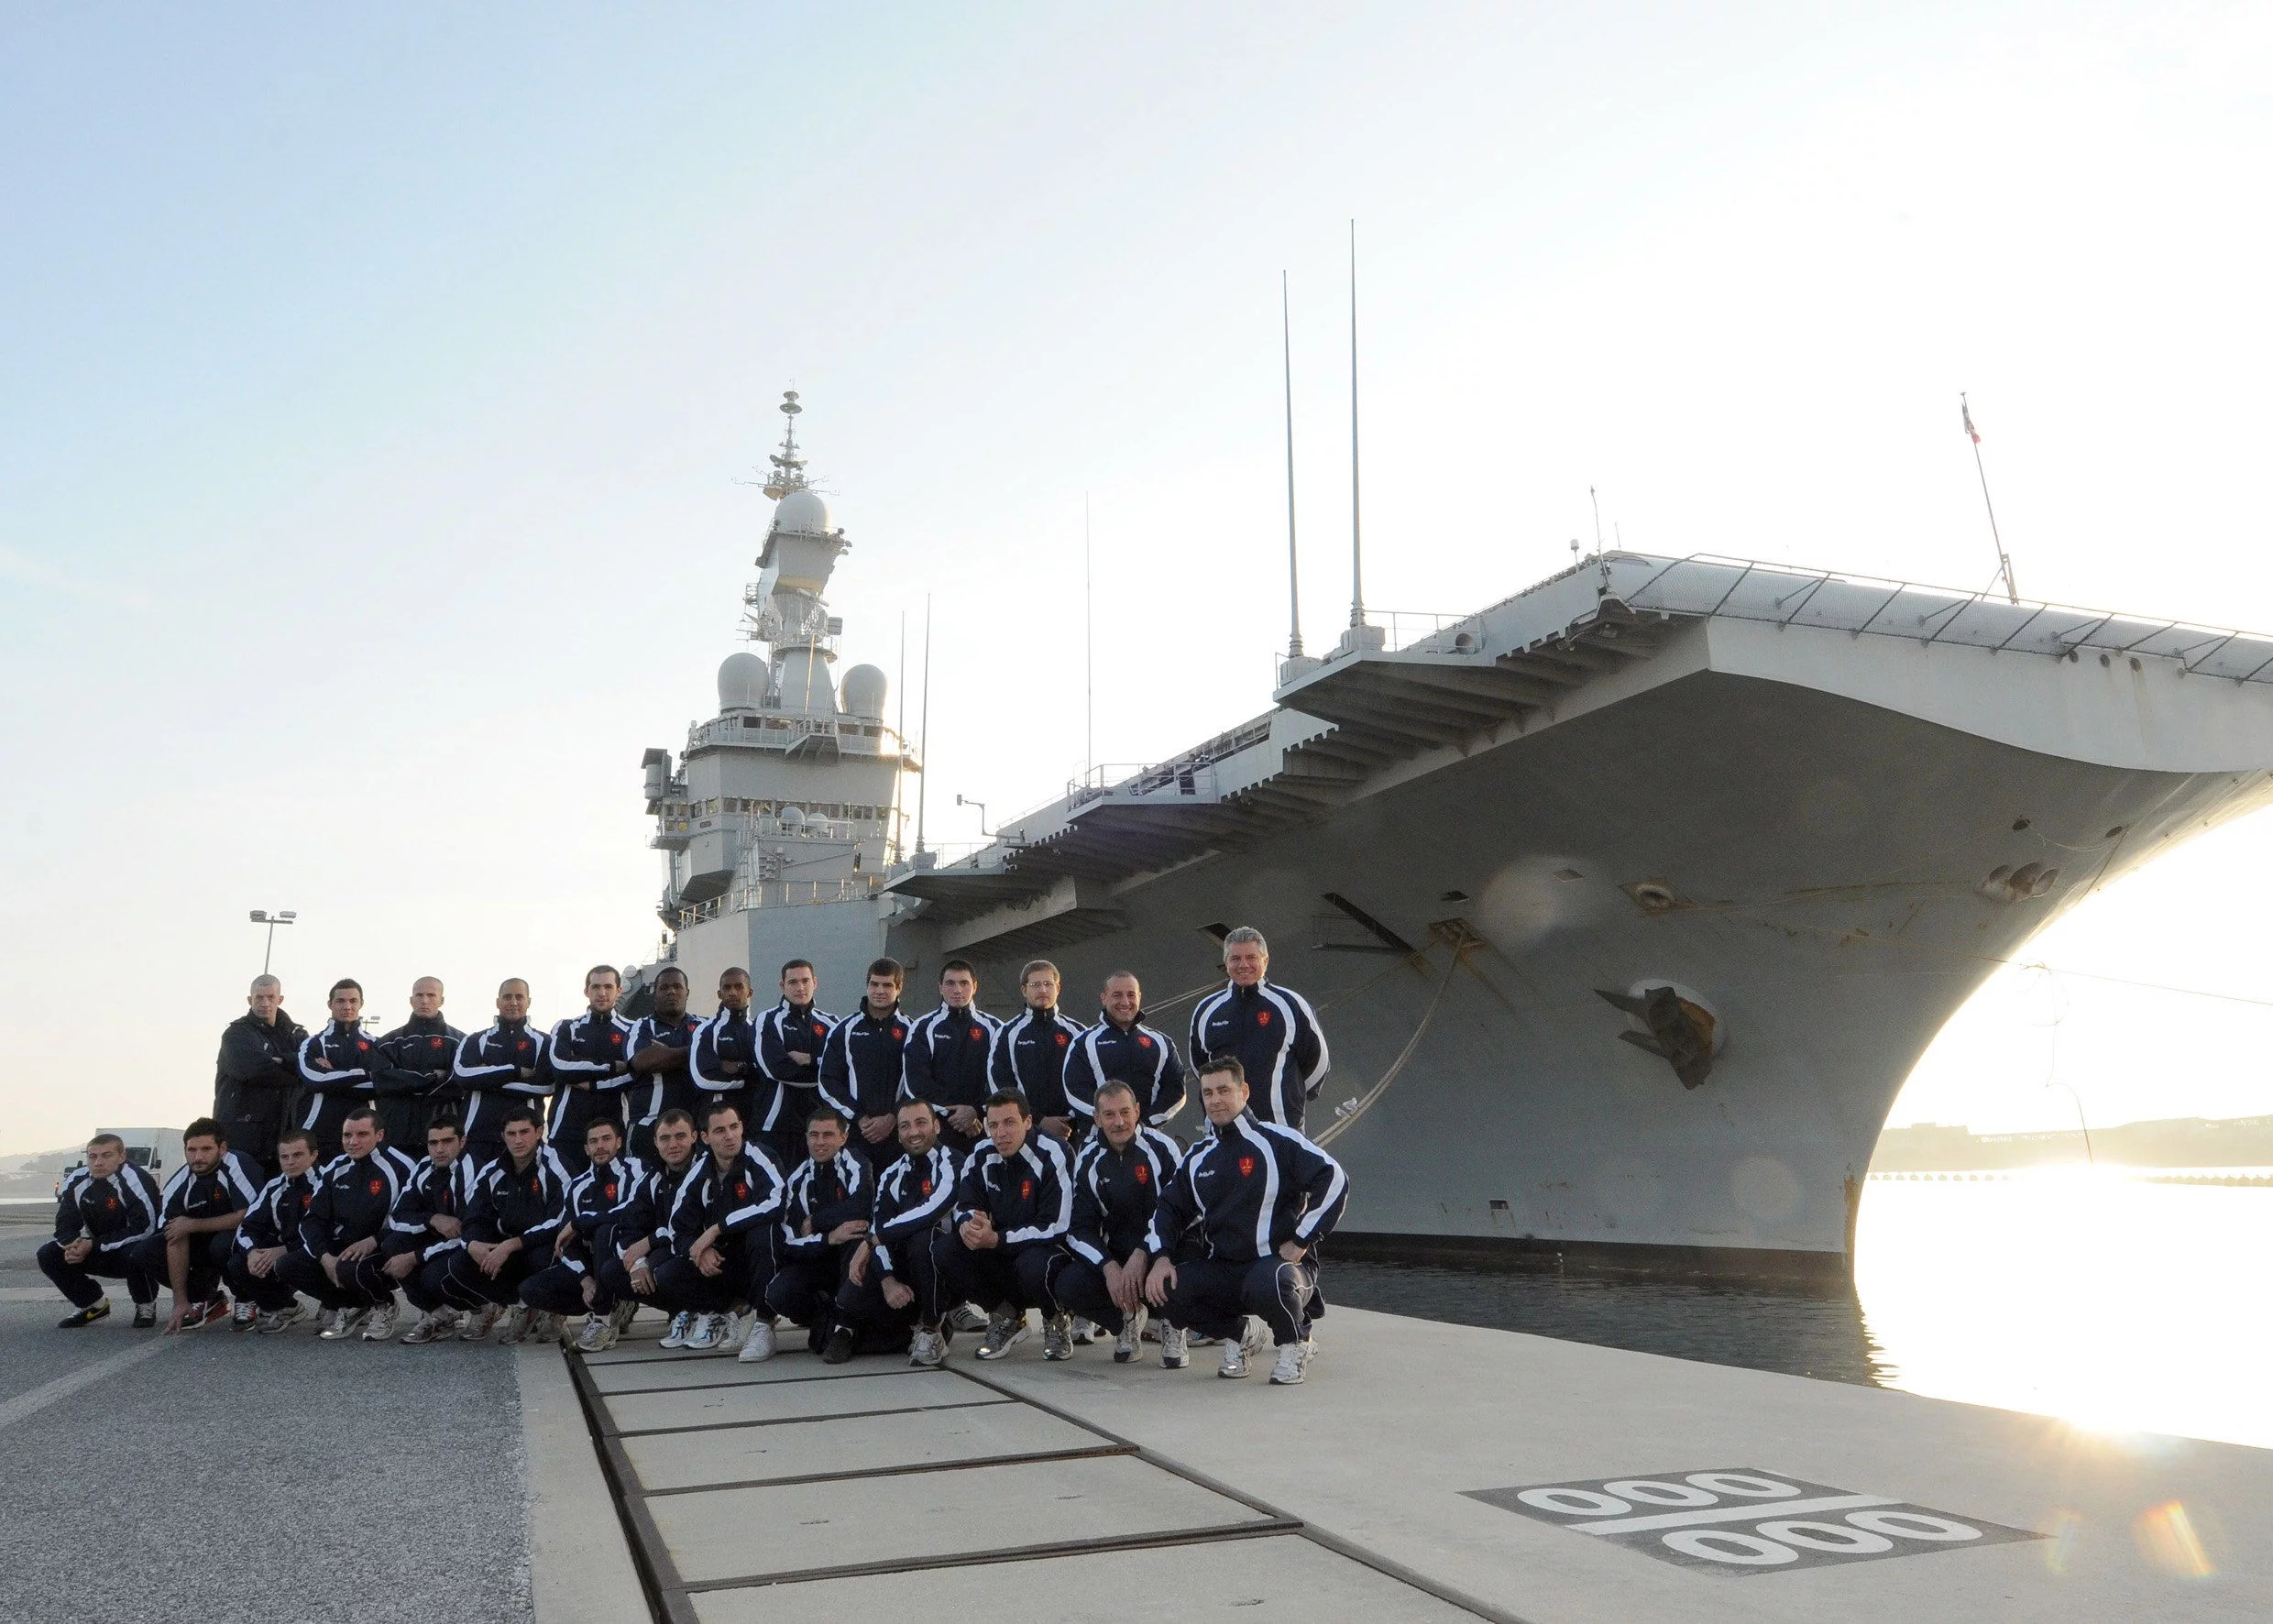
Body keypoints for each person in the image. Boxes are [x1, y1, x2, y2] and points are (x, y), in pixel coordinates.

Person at [1138, 1058, 1349, 1385]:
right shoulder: (1199, 1156)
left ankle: (1295, 1345)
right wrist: (1161, 1258)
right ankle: (1241, 1335)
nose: (1216, 1099)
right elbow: (1168, 1208)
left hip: (1279, 1267)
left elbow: (1334, 1179)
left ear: (1244, 1092)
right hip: (1226, 1269)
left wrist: (1303, 1238)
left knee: (1268, 1281)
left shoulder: (1278, 1141)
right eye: (1208, 1093)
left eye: (1224, 1090)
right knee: (1166, 1289)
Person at [1038, 1081, 1183, 1362]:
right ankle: (1126, 1319)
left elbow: (1177, 1212)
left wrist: (1146, 1252)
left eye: (1125, 1112)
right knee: (1068, 1283)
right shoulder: (1088, 1158)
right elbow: (1078, 1228)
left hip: (1161, 1249)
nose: (1119, 1122)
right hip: (1118, 1254)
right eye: (1109, 1115)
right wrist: (1108, 1266)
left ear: (1137, 1111)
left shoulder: (1163, 1149)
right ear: (1096, 1118)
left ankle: (1173, 1323)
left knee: (1187, 1258)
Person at [932, 1090, 1075, 1361]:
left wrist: (997, 1238)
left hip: (1042, 1249)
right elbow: (964, 1204)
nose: (1000, 1133)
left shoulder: (1054, 1152)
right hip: (996, 1244)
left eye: (1009, 1123)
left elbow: (1058, 1225)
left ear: (1028, 1122)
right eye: (993, 1125)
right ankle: (1007, 1317)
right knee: (946, 1249)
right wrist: (969, 1225)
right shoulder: (981, 1154)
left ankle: (1055, 1318)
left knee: (1034, 1264)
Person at [650, 1101, 785, 1356]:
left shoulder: (759, 1157)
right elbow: (677, 1228)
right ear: (705, 1137)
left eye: (734, 1127)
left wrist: (717, 1229)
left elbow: (775, 1203)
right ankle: (733, 1312)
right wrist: (698, 1252)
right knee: (666, 1273)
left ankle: (764, 1324)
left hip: (761, 1257)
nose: (730, 1136)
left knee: (763, 1232)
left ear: (742, 1127)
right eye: (720, 1131)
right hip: (724, 1261)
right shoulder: (699, 1172)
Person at [836, 1096, 958, 1366]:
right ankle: (909, 1324)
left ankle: (933, 1327)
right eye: (905, 1126)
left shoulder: (953, 1162)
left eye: (921, 1123)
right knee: (849, 1299)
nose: (913, 1132)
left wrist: (872, 1240)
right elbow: (879, 1224)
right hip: (905, 1265)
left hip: (949, 1269)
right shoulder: (892, 1173)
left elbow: (930, 1211)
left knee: (923, 1237)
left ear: (937, 1126)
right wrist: (888, 1280)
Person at [441, 1109, 571, 1344]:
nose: (518, 1140)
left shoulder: (557, 1166)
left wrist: (514, 1244)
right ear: (503, 1136)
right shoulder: (492, 1171)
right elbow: (474, 1217)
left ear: (539, 1132)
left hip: (545, 1245)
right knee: (461, 1262)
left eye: (524, 1132)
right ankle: (520, 1306)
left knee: (545, 1258)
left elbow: (561, 1220)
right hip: (507, 1247)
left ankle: (550, 1309)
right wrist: (473, 1244)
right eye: (511, 1134)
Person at [282, 1106, 409, 1342]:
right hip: (344, 1249)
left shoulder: (401, 1166)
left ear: (379, 1135)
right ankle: (350, 1305)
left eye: (362, 1135)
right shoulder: (336, 1168)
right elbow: (312, 1221)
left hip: (383, 1248)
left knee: (351, 1268)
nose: (353, 1142)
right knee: (288, 1265)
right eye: (347, 1135)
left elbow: (409, 1218)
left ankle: (384, 1304)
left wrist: (374, 1241)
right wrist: (324, 1257)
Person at [519, 1116, 644, 1349]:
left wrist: (584, 1220)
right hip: (593, 1266)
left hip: (629, 1258)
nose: (600, 1146)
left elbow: (632, 1211)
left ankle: (603, 1319)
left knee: (604, 1230)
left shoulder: (636, 1169)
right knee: (530, 1290)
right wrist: (586, 1281)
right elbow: (566, 1241)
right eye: (594, 1141)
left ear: (619, 1142)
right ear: (586, 1149)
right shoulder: (578, 1186)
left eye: (606, 1139)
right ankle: (607, 1304)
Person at [1189, 927, 1329, 1133]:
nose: (1243, 965)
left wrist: (1291, 1099)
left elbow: (1318, 1063)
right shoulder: (1206, 1011)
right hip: (1224, 1134)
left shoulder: (1291, 1005)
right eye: (1235, 958)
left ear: (1265, 961)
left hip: (1281, 1130)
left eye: (1251, 957)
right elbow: (1200, 1068)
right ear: (1226, 962)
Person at [764, 1108, 870, 1362]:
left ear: (843, 1137)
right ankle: (823, 1318)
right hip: (818, 1257)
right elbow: (789, 1240)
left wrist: (817, 1221)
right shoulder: (798, 1177)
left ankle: (844, 1328)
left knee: (854, 1233)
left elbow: (861, 1206)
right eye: (814, 1135)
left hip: (852, 1259)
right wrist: (828, 1237)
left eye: (828, 1135)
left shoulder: (855, 1163)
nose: (820, 1142)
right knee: (778, 1293)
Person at [141, 1117, 263, 1333]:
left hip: (243, 1236)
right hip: (201, 1241)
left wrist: (192, 1225)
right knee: (146, 1251)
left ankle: (246, 1298)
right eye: (192, 1150)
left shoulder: (238, 1164)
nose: (198, 1157)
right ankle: (202, 1299)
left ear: (222, 1148)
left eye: (206, 1149)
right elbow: (175, 1234)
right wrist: (179, 1301)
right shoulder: (179, 1183)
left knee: (222, 1245)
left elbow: (247, 1215)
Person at [594, 1108, 702, 1350]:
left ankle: (713, 1309)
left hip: (701, 1252)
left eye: (680, 1136)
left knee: (663, 1265)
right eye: (665, 1138)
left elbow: (691, 1224)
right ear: (655, 1142)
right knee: (613, 1270)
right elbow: (629, 1225)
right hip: (667, 1252)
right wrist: (637, 1263)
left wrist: (651, 1241)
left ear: (694, 1136)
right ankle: (681, 1311)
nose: (673, 1144)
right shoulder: (653, 1177)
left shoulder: (706, 1170)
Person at [39, 1133, 164, 1329]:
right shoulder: (78, 1179)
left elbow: (145, 1228)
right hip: (98, 1247)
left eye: (106, 1156)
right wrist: (73, 1244)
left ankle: (145, 1304)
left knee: (138, 1252)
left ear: (121, 1157)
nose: (98, 1162)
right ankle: (93, 1305)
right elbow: (64, 1222)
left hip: (136, 1249)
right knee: (48, 1253)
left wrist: (93, 1244)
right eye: (93, 1156)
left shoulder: (135, 1179)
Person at [385, 1115, 480, 1345]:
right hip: (439, 1239)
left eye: (447, 1141)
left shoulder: (473, 1171)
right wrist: (433, 1219)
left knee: (433, 1276)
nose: (439, 1149)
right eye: (433, 1143)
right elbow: (397, 1216)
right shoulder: (424, 1168)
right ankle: (439, 1316)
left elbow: (468, 1233)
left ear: (462, 1141)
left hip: (474, 1245)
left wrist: (415, 1256)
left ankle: (483, 1307)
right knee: (392, 1244)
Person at [817, 958, 911, 1170]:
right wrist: (859, 1118)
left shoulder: (912, 1031)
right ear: (867, 985)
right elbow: (828, 1081)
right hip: (857, 1135)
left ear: (899, 987)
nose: (879, 990)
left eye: (887, 985)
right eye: (874, 984)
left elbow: (917, 1083)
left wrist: (893, 1118)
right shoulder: (843, 1030)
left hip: (898, 1135)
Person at [900, 960, 1002, 1155]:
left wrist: (976, 1110)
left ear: (975, 987)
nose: (957, 990)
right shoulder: (922, 1028)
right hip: (939, 1128)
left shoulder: (995, 1028)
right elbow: (916, 1083)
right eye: (950, 983)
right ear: (940, 987)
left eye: (964, 983)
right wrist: (956, 1113)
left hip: (981, 1127)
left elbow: (1001, 1078)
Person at [227, 1129, 324, 1334]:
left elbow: (328, 1231)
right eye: (284, 1156)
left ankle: (338, 1303)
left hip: (319, 1251)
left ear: (313, 1155)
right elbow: (246, 1227)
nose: (290, 1162)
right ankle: (286, 1306)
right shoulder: (274, 1187)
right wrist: (253, 1252)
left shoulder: (326, 1182)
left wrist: (285, 1250)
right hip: (286, 1253)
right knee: (237, 1262)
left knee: (292, 1261)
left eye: (297, 1155)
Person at [452, 980, 551, 1175]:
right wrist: (517, 1072)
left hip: (524, 1137)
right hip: (478, 1136)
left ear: (528, 1001)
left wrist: (487, 1078)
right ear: (498, 1001)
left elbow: (547, 1085)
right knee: (475, 1198)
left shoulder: (544, 1042)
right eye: (507, 997)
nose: (513, 1002)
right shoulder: (475, 1040)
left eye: (519, 997)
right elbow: (462, 1075)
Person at [213, 975, 307, 1179]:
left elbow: (311, 1064)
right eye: (259, 998)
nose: (265, 1003)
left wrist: (280, 1060)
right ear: (250, 1000)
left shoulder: (297, 1035)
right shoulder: (236, 1034)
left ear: (280, 999)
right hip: (243, 1138)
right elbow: (255, 1070)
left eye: (270, 997)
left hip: (284, 1140)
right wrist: (295, 1071)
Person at [545, 965, 635, 1177]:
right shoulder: (567, 1027)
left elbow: (633, 1075)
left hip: (611, 1129)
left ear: (619, 990)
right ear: (586, 991)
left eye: (608, 986)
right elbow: (560, 1067)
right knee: (564, 1194)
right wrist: (611, 1066)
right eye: (595, 987)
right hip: (566, 1129)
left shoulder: (632, 1030)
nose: (601, 993)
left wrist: (593, 1084)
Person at [1068, 971, 1188, 1130]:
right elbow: (1074, 1091)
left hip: (1149, 1136)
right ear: (1104, 998)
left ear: (1139, 997)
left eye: (1131, 995)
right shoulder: (1083, 1043)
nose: (1125, 1002)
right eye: (1117, 995)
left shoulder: (1161, 1042)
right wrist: (1110, 1122)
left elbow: (1176, 1089)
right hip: (1098, 1139)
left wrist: (1146, 1124)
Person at [752, 960, 838, 1172]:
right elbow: (776, 1069)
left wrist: (810, 1059)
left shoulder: (832, 1024)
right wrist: (822, 1072)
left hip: (819, 1126)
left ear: (815, 982)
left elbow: (840, 1070)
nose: (800, 988)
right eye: (793, 982)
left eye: (805, 981)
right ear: (782, 986)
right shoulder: (768, 1020)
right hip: (777, 1126)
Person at [370, 977, 465, 1162]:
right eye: (419, 995)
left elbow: (456, 1083)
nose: (424, 1000)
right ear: (411, 999)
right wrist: (431, 1077)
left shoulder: (460, 1042)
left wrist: (404, 1082)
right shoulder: (388, 1042)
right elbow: (382, 1080)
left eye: (431, 995)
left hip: (441, 1135)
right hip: (397, 1133)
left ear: (441, 1000)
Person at [990, 960, 1082, 1144]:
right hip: (1026, 1131)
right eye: (1035, 985)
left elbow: (1085, 1082)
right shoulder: (1007, 1034)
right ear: (1024, 990)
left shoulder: (1077, 1032)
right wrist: (1038, 1120)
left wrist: (1071, 1120)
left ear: (1058, 988)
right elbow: (1000, 1085)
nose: (1043, 990)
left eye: (1048, 984)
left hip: (1070, 1130)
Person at [623, 967, 702, 1165]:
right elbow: (642, 1062)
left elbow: (714, 1062)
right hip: (647, 1124)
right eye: (664, 987)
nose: (671, 992)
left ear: (687, 992)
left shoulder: (704, 1026)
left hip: (693, 1128)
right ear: (655, 993)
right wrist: (694, 1052)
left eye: (677, 986)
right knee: (642, 1190)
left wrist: (665, 1053)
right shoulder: (639, 1026)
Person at [294, 979, 377, 1163]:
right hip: (319, 1132)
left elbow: (379, 1085)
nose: (347, 1006)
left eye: (353, 1001)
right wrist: (364, 1073)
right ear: (330, 1004)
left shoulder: (376, 1044)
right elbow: (314, 1080)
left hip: (362, 1134)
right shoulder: (313, 1043)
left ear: (361, 1004)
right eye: (340, 1001)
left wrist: (333, 1077)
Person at [687, 967, 761, 1133]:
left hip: (754, 1118)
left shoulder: (759, 1029)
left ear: (750, 992)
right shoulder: (705, 1030)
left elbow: (767, 1073)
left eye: (739, 987)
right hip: (716, 1121)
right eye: (727, 988)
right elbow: (702, 1077)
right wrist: (748, 1079)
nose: (733, 992)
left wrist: (739, 1067)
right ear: (719, 994)